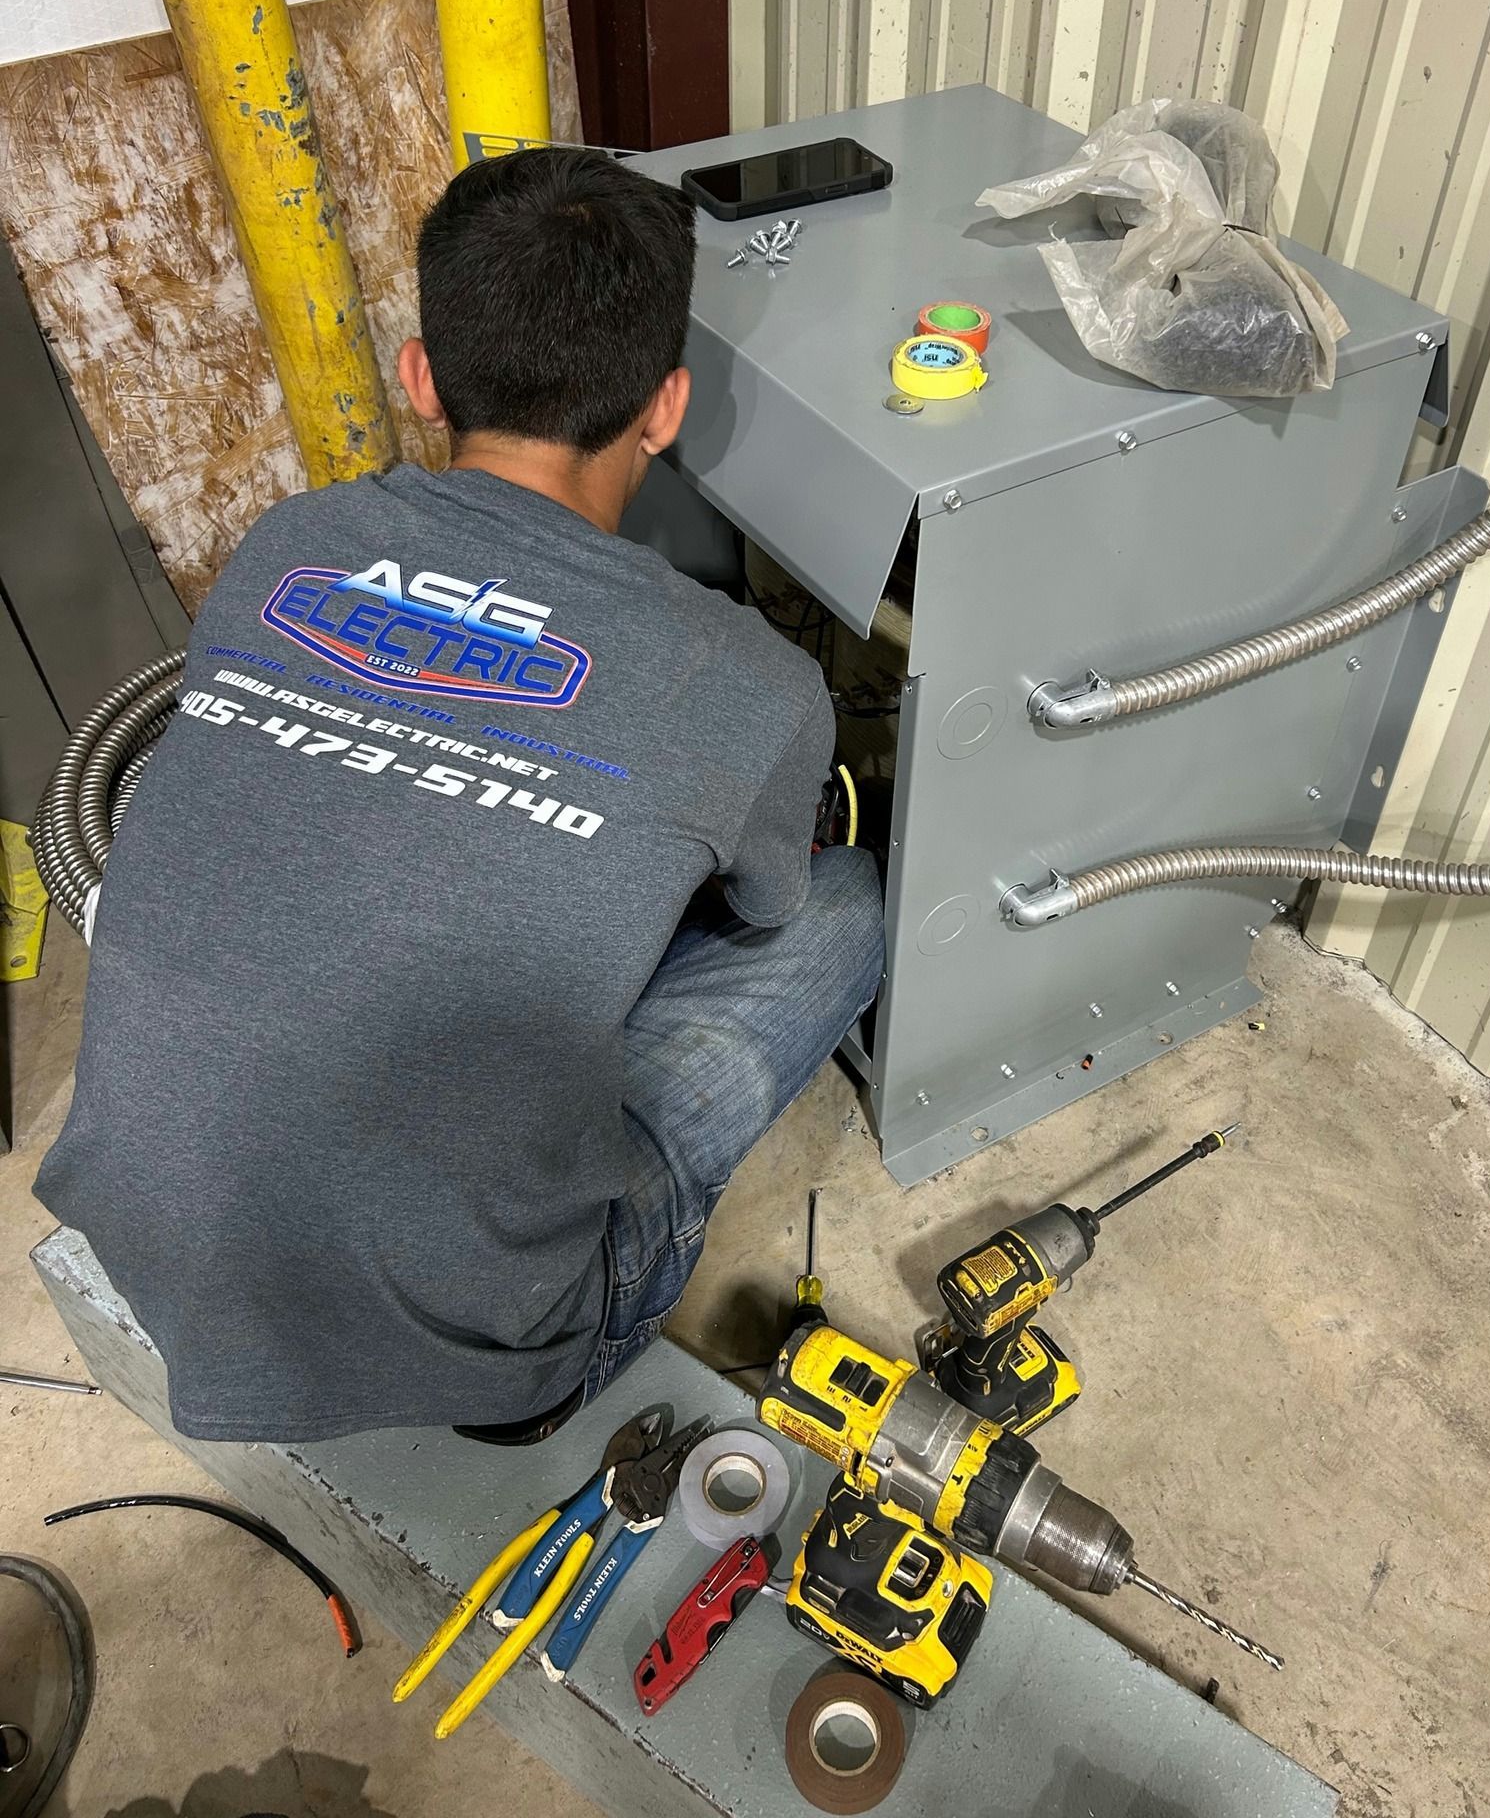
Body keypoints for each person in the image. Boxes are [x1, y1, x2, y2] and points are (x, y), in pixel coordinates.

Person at [35, 147, 883, 1445]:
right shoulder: (750, 684)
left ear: (422, 378)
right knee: (841, 903)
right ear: (664, 410)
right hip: (500, 1341)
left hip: (169, 1266)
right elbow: (762, 904)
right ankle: (539, 1365)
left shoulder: (289, 543)